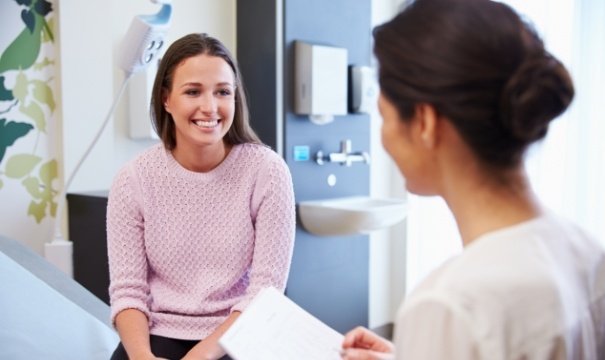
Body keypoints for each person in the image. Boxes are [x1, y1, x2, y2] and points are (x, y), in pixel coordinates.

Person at [341, 0, 605, 359]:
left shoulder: (450, 303)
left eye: (384, 117)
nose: (383, 138)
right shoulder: (584, 250)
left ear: (424, 123)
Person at [106, 33, 296, 360]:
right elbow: (128, 292)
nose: (209, 107)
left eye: (222, 92)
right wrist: (141, 357)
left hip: (239, 330)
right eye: (193, 91)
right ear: (166, 99)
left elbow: (265, 293)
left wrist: (199, 357)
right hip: (157, 332)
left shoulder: (267, 171)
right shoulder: (133, 179)